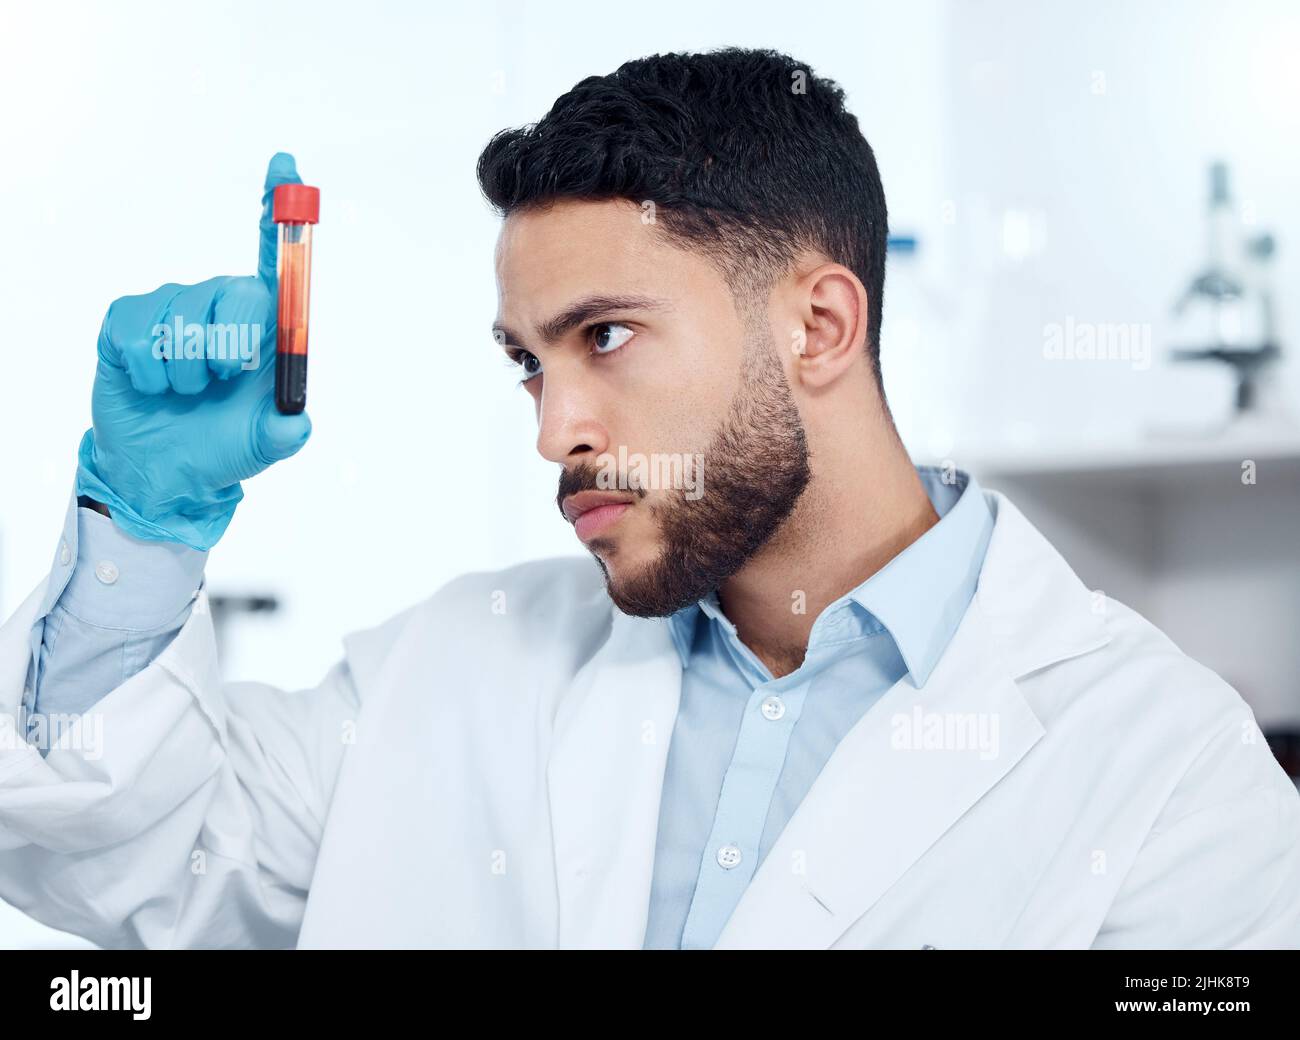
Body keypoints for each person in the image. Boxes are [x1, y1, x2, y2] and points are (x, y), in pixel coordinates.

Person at [0, 47, 1296, 950]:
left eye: (604, 337)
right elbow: (133, 851)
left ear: (821, 325)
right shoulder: (456, 671)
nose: (556, 429)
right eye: (528, 364)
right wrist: (143, 528)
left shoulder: (1166, 774)